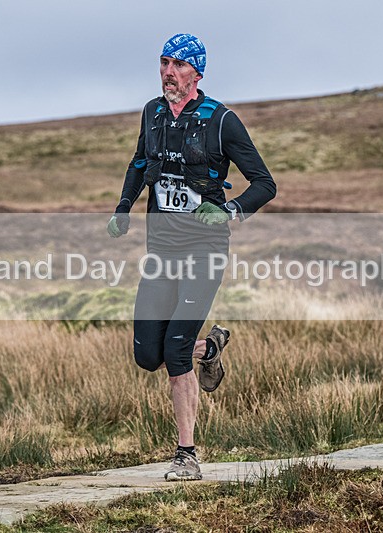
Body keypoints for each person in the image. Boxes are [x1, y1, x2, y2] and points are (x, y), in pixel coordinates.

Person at [107, 33, 276, 481]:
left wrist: (228, 209)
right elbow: (141, 162)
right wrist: (124, 206)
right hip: (161, 252)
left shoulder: (222, 121)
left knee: (176, 351)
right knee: (149, 355)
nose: (168, 72)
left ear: (197, 73)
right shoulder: (152, 112)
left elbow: (264, 183)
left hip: (204, 250)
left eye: (178, 65)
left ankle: (187, 456)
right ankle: (211, 348)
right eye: (164, 63)